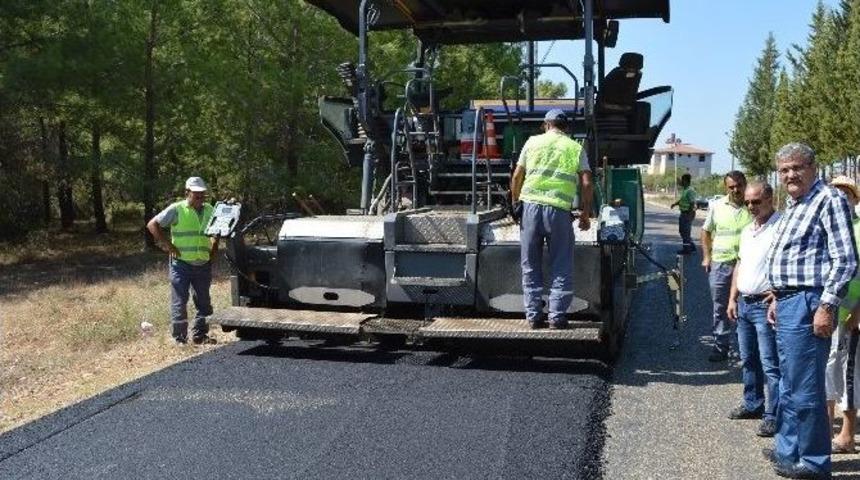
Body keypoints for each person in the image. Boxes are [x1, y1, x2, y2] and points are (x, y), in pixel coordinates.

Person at [763, 144, 858, 480]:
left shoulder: (828, 199)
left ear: (814, 168)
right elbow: (795, 260)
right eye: (785, 169)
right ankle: (787, 450)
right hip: (788, 302)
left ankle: (815, 463)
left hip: (809, 304)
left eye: (797, 167)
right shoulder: (795, 204)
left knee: (805, 388)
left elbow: (845, 259)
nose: (791, 174)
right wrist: (777, 296)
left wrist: (827, 305)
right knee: (790, 384)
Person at [510, 109, 593, 330]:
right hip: (558, 212)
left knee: (530, 264)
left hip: (530, 209)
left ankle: (533, 316)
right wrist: (585, 214)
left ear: (546, 124)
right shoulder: (575, 148)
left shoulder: (532, 142)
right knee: (561, 264)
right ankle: (557, 317)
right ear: (565, 127)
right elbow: (586, 183)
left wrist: (515, 203)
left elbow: (517, 176)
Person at [726, 182, 781, 437]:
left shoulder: (780, 226)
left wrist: (779, 293)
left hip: (765, 306)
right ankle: (753, 403)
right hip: (745, 304)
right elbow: (740, 264)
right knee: (748, 359)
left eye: (756, 202)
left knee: (770, 364)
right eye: (747, 202)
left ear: (770, 199)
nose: (750, 206)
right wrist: (732, 299)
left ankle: (773, 415)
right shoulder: (748, 230)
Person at [146, 176, 219, 345]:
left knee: (204, 302)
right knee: (180, 301)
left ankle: (200, 335)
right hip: (181, 264)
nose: (200, 197)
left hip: (202, 263)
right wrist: (168, 246)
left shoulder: (210, 209)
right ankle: (179, 338)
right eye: (196, 194)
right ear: (187, 193)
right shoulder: (177, 209)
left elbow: (217, 232)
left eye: (202, 194)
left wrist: (214, 248)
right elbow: (152, 225)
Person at [825, 175, 860, 455]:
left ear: (854, 198)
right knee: (826, 371)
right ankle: (824, 431)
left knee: (848, 374)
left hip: (851, 315)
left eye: (846, 193)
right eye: (835, 192)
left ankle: (846, 435)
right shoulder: (827, 227)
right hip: (827, 312)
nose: (841, 197)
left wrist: (857, 312)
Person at [702, 171, 752, 362]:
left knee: (745, 306)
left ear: (745, 184)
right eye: (731, 186)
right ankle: (721, 347)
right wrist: (706, 257)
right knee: (720, 306)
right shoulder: (716, 206)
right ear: (726, 188)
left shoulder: (752, 204)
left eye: (739, 185)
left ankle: (744, 349)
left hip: (747, 264)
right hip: (721, 263)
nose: (736, 189)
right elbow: (706, 232)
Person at [670, 173, 697, 254]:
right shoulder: (685, 190)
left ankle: (686, 249)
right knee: (682, 231)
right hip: (684, 214)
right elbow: (682, 200)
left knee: (685, 232)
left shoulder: (690, 191)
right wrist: (675, 204)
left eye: (682, 180)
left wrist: (689, 214)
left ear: (685, 181)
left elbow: (692, 203)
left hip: (687, 214)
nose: (680, 182)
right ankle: (691, 247)